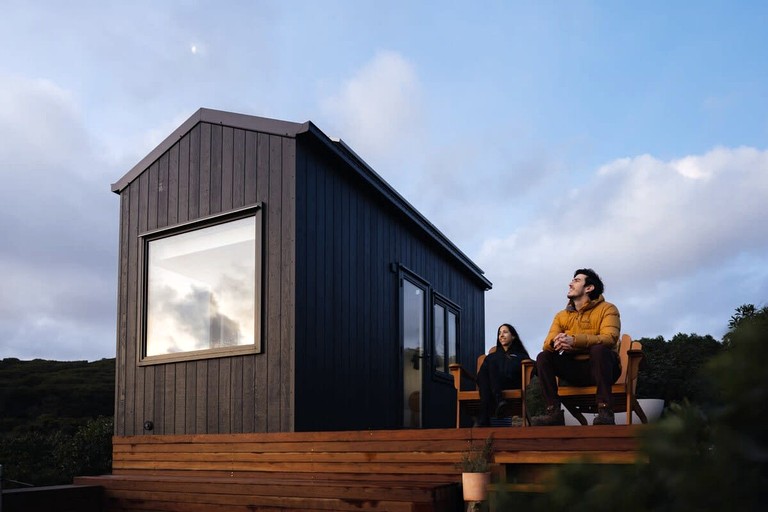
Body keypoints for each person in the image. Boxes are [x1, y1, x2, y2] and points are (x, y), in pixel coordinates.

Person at [531, 268, 621, 426]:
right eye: (572, 280)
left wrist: (574, 341)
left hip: (602, 368)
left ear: (589, 288)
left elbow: (610, 338)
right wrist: (555, 342)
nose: (570, 284)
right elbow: (547, 344)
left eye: (576, 280)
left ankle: (605, 411)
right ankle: (554, 412)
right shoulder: (561, 315)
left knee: (599, 349)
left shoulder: (608, 308)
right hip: (574, 370)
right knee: (543, 357)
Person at [475, 323, 530, 427]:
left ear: (513, 336)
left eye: (505, 332)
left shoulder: (520, 355)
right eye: (499, 333)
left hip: (511, 383)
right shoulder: (492, 357)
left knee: (489, 367)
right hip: (492, 386)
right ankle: (498, 400)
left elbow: (531, 368)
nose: (501, 335)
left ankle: (484, 416)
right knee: (487, 369)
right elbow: (481, 377)